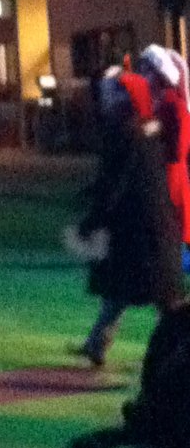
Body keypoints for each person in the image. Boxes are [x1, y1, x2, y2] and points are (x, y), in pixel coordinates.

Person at [74, 69, 183, 369]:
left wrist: (93, 219)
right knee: (134, 290)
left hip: (142, 231)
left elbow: (116, 182)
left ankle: (180, 348)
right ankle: (97, 342)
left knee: (161, 298)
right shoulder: (145, 129)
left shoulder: (126, 132)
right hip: (149, 229)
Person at [138, 45, 190, 269]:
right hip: (161, 181)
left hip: (171, 183)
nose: (142, 75)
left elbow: (179, 150)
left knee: (176, 231)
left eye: (146, 70)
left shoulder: (174, 106)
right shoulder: (156, 105)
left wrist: (155, 134)